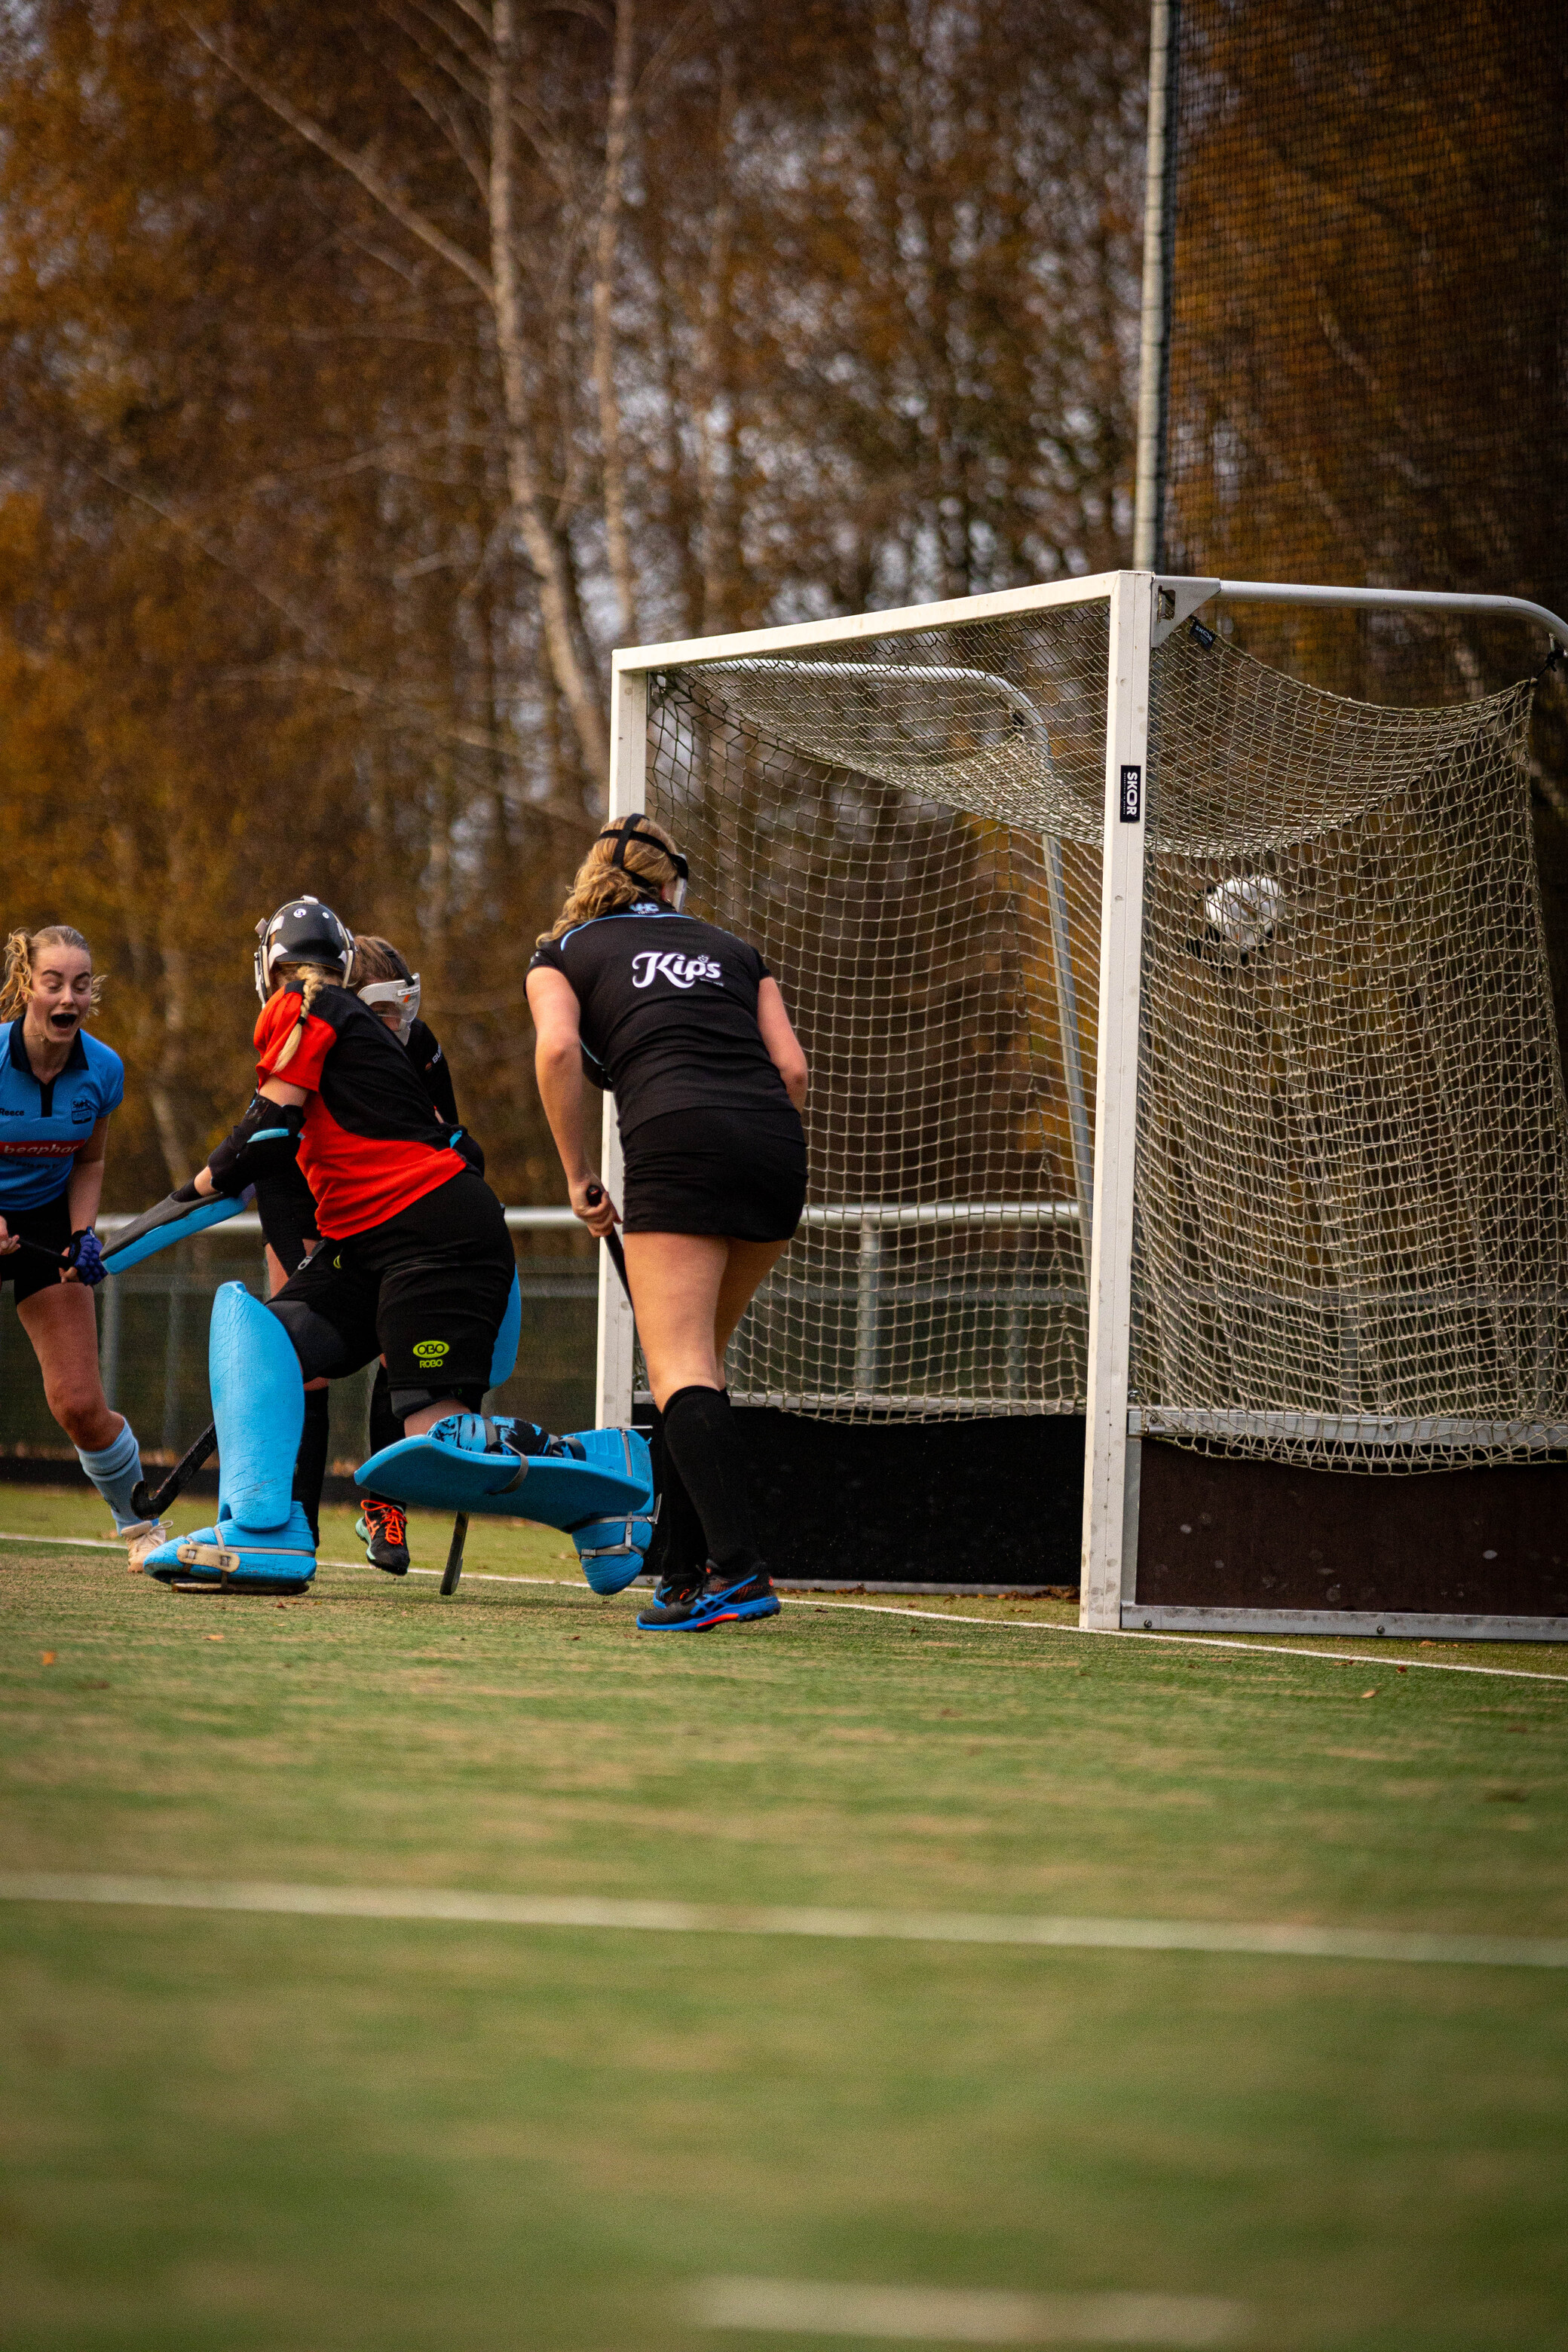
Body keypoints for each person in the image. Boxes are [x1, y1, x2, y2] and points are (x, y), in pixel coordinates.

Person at [142, 896, 516, 1591]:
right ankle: (271, 1532)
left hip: (430, 1235)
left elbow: (262, 1130)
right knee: (260, 1334)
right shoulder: (341, 1022)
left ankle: (598, 1480)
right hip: (368, 1241)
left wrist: (190, 1189)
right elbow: (277, 1146)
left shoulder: (307, 1008)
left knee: (432, 1436)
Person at [526, 813, 809, 1631]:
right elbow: (791, 1067)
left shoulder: (562, 953)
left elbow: (555, 1053)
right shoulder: (733, 949)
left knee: (679, 1365)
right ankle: (683, 1573)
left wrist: (580, 1175)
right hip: (771, 1148)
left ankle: (739, 1571)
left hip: (676, 1144)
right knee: (694, 1369)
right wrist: (753, 1139)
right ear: (668, 882)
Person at [245, 931, 482, 1574]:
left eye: (403, 1007)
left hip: (387, 1210)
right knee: (299, 1359)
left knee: (398, 1343)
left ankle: (386, 1501)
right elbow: (269, 1154)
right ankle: (291, 1525)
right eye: (380, 1010)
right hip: (301, 1193)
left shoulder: (420, 1046)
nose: (396, 1024)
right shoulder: (306, 1027)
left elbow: (443, 1139)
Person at [0, 924, 167, 1566]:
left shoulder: (103, 1069)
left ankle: (141, 1527)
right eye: (54, 982)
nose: (69, 995)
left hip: (45, 1222)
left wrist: (80, 1234)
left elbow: (90, 1161)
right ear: (27, 987)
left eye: (81, 983)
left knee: (78, 1403)